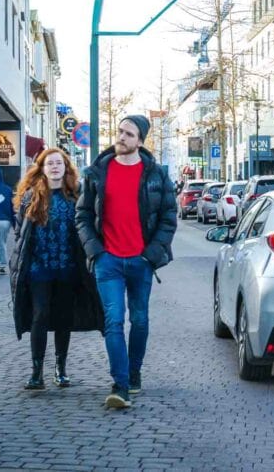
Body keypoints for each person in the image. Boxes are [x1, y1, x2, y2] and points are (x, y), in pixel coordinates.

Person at [76, 114, 177, 409]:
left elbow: (169, 218)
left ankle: (134, 374)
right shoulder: (98, 172)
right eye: (119, 132)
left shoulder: (156, 175)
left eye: (128, 134)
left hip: (140, 261)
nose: (121, 137)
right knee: (113, 321)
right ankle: (119, 384)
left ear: (140, 142)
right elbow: (82, 215)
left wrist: (151, 255)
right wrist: (96, 251)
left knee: (141, 320)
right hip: (108, 261)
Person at [11, 148, 103, 390]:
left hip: (68, 269)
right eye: (49, 163)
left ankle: (61, 369)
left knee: (64, 319)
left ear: (66, 167)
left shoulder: (76, 196)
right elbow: (20, 232)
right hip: (38, 269)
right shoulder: (31, 197)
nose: (54, 167)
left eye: (59, 163)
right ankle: (36, 371)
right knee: (39, 316)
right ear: (41, 168)